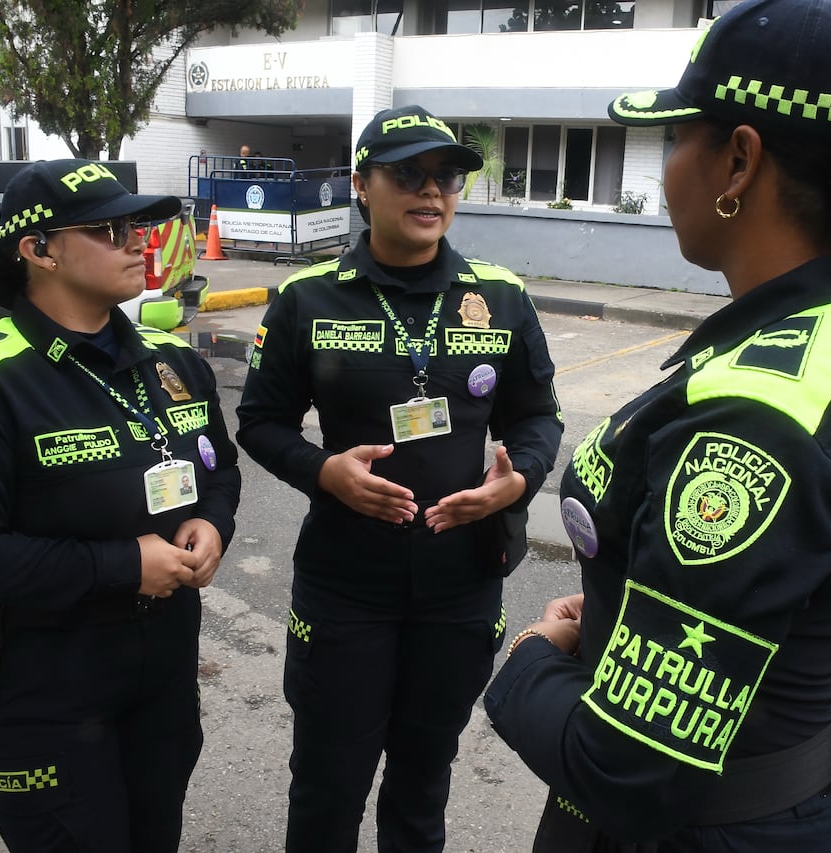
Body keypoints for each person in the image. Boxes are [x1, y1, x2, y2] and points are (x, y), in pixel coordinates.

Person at [483, 0, 831, 849]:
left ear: (738, 160)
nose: (667, 163)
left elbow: (623, 772)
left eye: (677, 137)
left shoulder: (757, 420)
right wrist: (624, 612)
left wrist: (525, 660)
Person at [236, 104, 563, 852]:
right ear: (360, 184)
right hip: (346, 587)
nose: (431, 190)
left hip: (459, 588)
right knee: (328, 783)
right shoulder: (308, 297)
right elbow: (259, 421)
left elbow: (538, 417)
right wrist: (325, 471)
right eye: (407, 173)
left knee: (423, 781)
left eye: (446, 175)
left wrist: (518, 482)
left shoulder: (501, 296)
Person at [0, 159, 242, 852]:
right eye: (111, 228)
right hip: (43, 690)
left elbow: (220, 469)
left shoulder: (172, 360)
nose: (136, 241)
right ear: (40, 249)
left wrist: (212, 521)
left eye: (137, 226)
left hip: (162, 679)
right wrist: (124, 565)